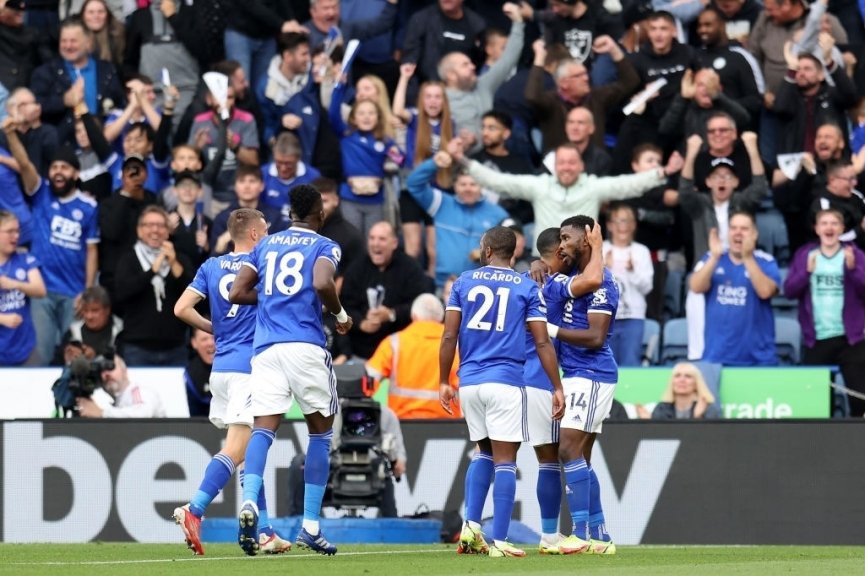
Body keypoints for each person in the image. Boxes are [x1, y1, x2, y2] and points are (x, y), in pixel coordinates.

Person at [228, 184, 352, 556]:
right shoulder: (325, 244)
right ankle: (310, 526)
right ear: (320, 212)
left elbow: (236, 292)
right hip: (304, 345)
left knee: (263, 429)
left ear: (289, 213)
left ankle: (250, 500)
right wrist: (340, 314)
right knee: (320, 433)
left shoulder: (265, 244)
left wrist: (271, 299)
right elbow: (321, 282)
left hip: (265, 348)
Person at [439, 226, 565, 558]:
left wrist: (443, 381)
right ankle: (502, 541)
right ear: (512, 253)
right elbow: (541, 341)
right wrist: (556, 386)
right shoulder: (525, 286)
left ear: (488, 249)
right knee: (506, 460)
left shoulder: (463, 282)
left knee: (483, 452)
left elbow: (449, 336)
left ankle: (471, 528)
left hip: (469, 381)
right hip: (506, 380)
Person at [172, 207, 291, 555]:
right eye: (266, 230)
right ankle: (193, 510)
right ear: (254, 234)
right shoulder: (263, 267)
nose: (267, 236)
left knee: (248, 449)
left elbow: (181, 308)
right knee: (240, 447)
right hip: (249, 368)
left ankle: (265, 531)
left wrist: (214, 328)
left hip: (221, 368)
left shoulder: (210, 266)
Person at [540, 215, 620, 556]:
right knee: (581, 459)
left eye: (566, 238)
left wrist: (551, 331)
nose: (561, 245)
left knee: (567, 450)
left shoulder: (604, 284)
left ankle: (581, 533)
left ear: (587, 240)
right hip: (574, 374)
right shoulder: (568, 279)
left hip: (593, 373)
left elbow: (596, 336)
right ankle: (600, 536)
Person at [450, 139, 676, 253]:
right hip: (546, 265)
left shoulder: (593, 187)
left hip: (582, 265)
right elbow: (499, 181)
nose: (566, 167)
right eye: (562, 163)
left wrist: (662, 173)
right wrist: (463, 161)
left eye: (571, 162)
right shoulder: (540, 186)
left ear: (581, 166)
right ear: (554, 166)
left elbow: (629, 185)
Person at [525, 225, 603, 553]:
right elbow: (593, 280)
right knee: (577, 457)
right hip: (553, 378)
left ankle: (549, 536)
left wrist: (531, 262)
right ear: (558, 251)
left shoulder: (526, 281)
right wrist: (596, 248)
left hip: (526, 375)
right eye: (564, 246)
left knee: (547, 460)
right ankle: (592, 533)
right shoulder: (555, 283)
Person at [4, 119, 99, 366]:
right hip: (41, 292)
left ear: (75, 174)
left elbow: (91, 250)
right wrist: (11, 135)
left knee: (74, 359)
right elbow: (24, 164)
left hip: (74, 294)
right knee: (42, 356)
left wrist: (87, 290)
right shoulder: (41, 192)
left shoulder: (89, 206)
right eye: (54, 166)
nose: (58, 171)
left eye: (65, 167)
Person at [783, 209, 865, 417]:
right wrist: (806, 272)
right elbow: (790, 291)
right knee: (818, 403)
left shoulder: (855, 254)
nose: (829, 227)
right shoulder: (805, 255)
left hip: (852, 340)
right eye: (824, 223)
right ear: (817, 228)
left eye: (834, 223)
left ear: (841, 228)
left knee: (859, 398)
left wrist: (854, 269)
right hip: (817, 339)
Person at [689, 212, 780, 366]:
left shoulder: (765, 261)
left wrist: (748, 258)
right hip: (717, 356)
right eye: (733, 228)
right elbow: (696, 287)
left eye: (744, 229)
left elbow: (765, 292)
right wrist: (714, 258)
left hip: (757, 358)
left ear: (754, 234)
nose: (738, 232)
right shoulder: (713, 258)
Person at [406, 153, 508, 287]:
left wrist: (488, 254)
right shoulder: (441, 203)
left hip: (481, 286)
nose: (468, 189)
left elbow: (509, 248)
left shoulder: (497, 214)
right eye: (463, 184)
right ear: (455, 186)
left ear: (482, 187)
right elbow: (413, 184)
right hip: (444, 285)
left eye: (473, 184)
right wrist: (433, 164)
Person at [113, 206, 194, 366]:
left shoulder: (181, 259)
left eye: (161, 225)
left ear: (168, 231)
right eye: (149, 225)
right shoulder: (128, 259)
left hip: (176, 347)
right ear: (139, 230)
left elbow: (193, 297)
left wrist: (173, 263)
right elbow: (122, 293)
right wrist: (152, 271)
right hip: (137, 348)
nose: (155, 230)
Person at [340, 221, 431, 360]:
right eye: (372, 238)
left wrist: (391, 314)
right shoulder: (356, 267)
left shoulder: (410, 268)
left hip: (400, 352)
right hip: (360, 351)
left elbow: (421, 303)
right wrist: (361, 323)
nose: (375, 244)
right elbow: (345, 305)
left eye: (382, 239)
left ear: (394, 243)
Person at [366, 293, 460, 419]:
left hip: (402, 423)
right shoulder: (457, 347)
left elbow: (368, 382)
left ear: (413, 315)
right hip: (447, 424)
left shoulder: (394, 343)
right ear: (441, 317)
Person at [603, 203, 653, 367]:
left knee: (631, 364)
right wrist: (605, 268)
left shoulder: (642, 251)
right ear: (610, 225)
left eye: (627, 221)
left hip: (633, 317)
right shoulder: (600, 249)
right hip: (604, 318)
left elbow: (647, 287)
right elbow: (588, 286)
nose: (622, 226)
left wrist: (632, 271)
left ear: (633, 225)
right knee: (605, 364)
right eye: (618, 221)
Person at [0, 210, 45, 366]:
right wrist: (2, 318)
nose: (16, 236)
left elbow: (40, 290)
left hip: (25, 350)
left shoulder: (24, 258)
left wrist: (15, 284)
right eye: (10, 231)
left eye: (17, 231)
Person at [75, 354, 166, 417]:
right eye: (101, 371)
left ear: (124, 371)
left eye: (111, 367)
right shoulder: (118, 402)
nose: (106, 374)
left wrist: (102, 413)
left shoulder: (138, 391)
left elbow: (142, 414)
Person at [55, 285, 122, 365]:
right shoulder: (72, 332)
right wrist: (65, 357)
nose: (89, 316)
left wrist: (95, 357)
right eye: (85, 310)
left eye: (95, 311)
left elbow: (126, 362)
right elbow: (53, 366)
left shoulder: (121, 330)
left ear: (107, 310)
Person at [649, 362, 722, 419]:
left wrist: (698, 418)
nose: (682, 380)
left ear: (696, 383)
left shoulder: (708, 409)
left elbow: (712, 435)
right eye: (677, 376)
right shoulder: (662, 408)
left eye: (688, 376)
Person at [183, 327, 214, 418]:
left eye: (214, 338)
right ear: (194, 343)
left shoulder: (233, 369)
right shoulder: (189, 374)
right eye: (204, 339)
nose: (210, 343)